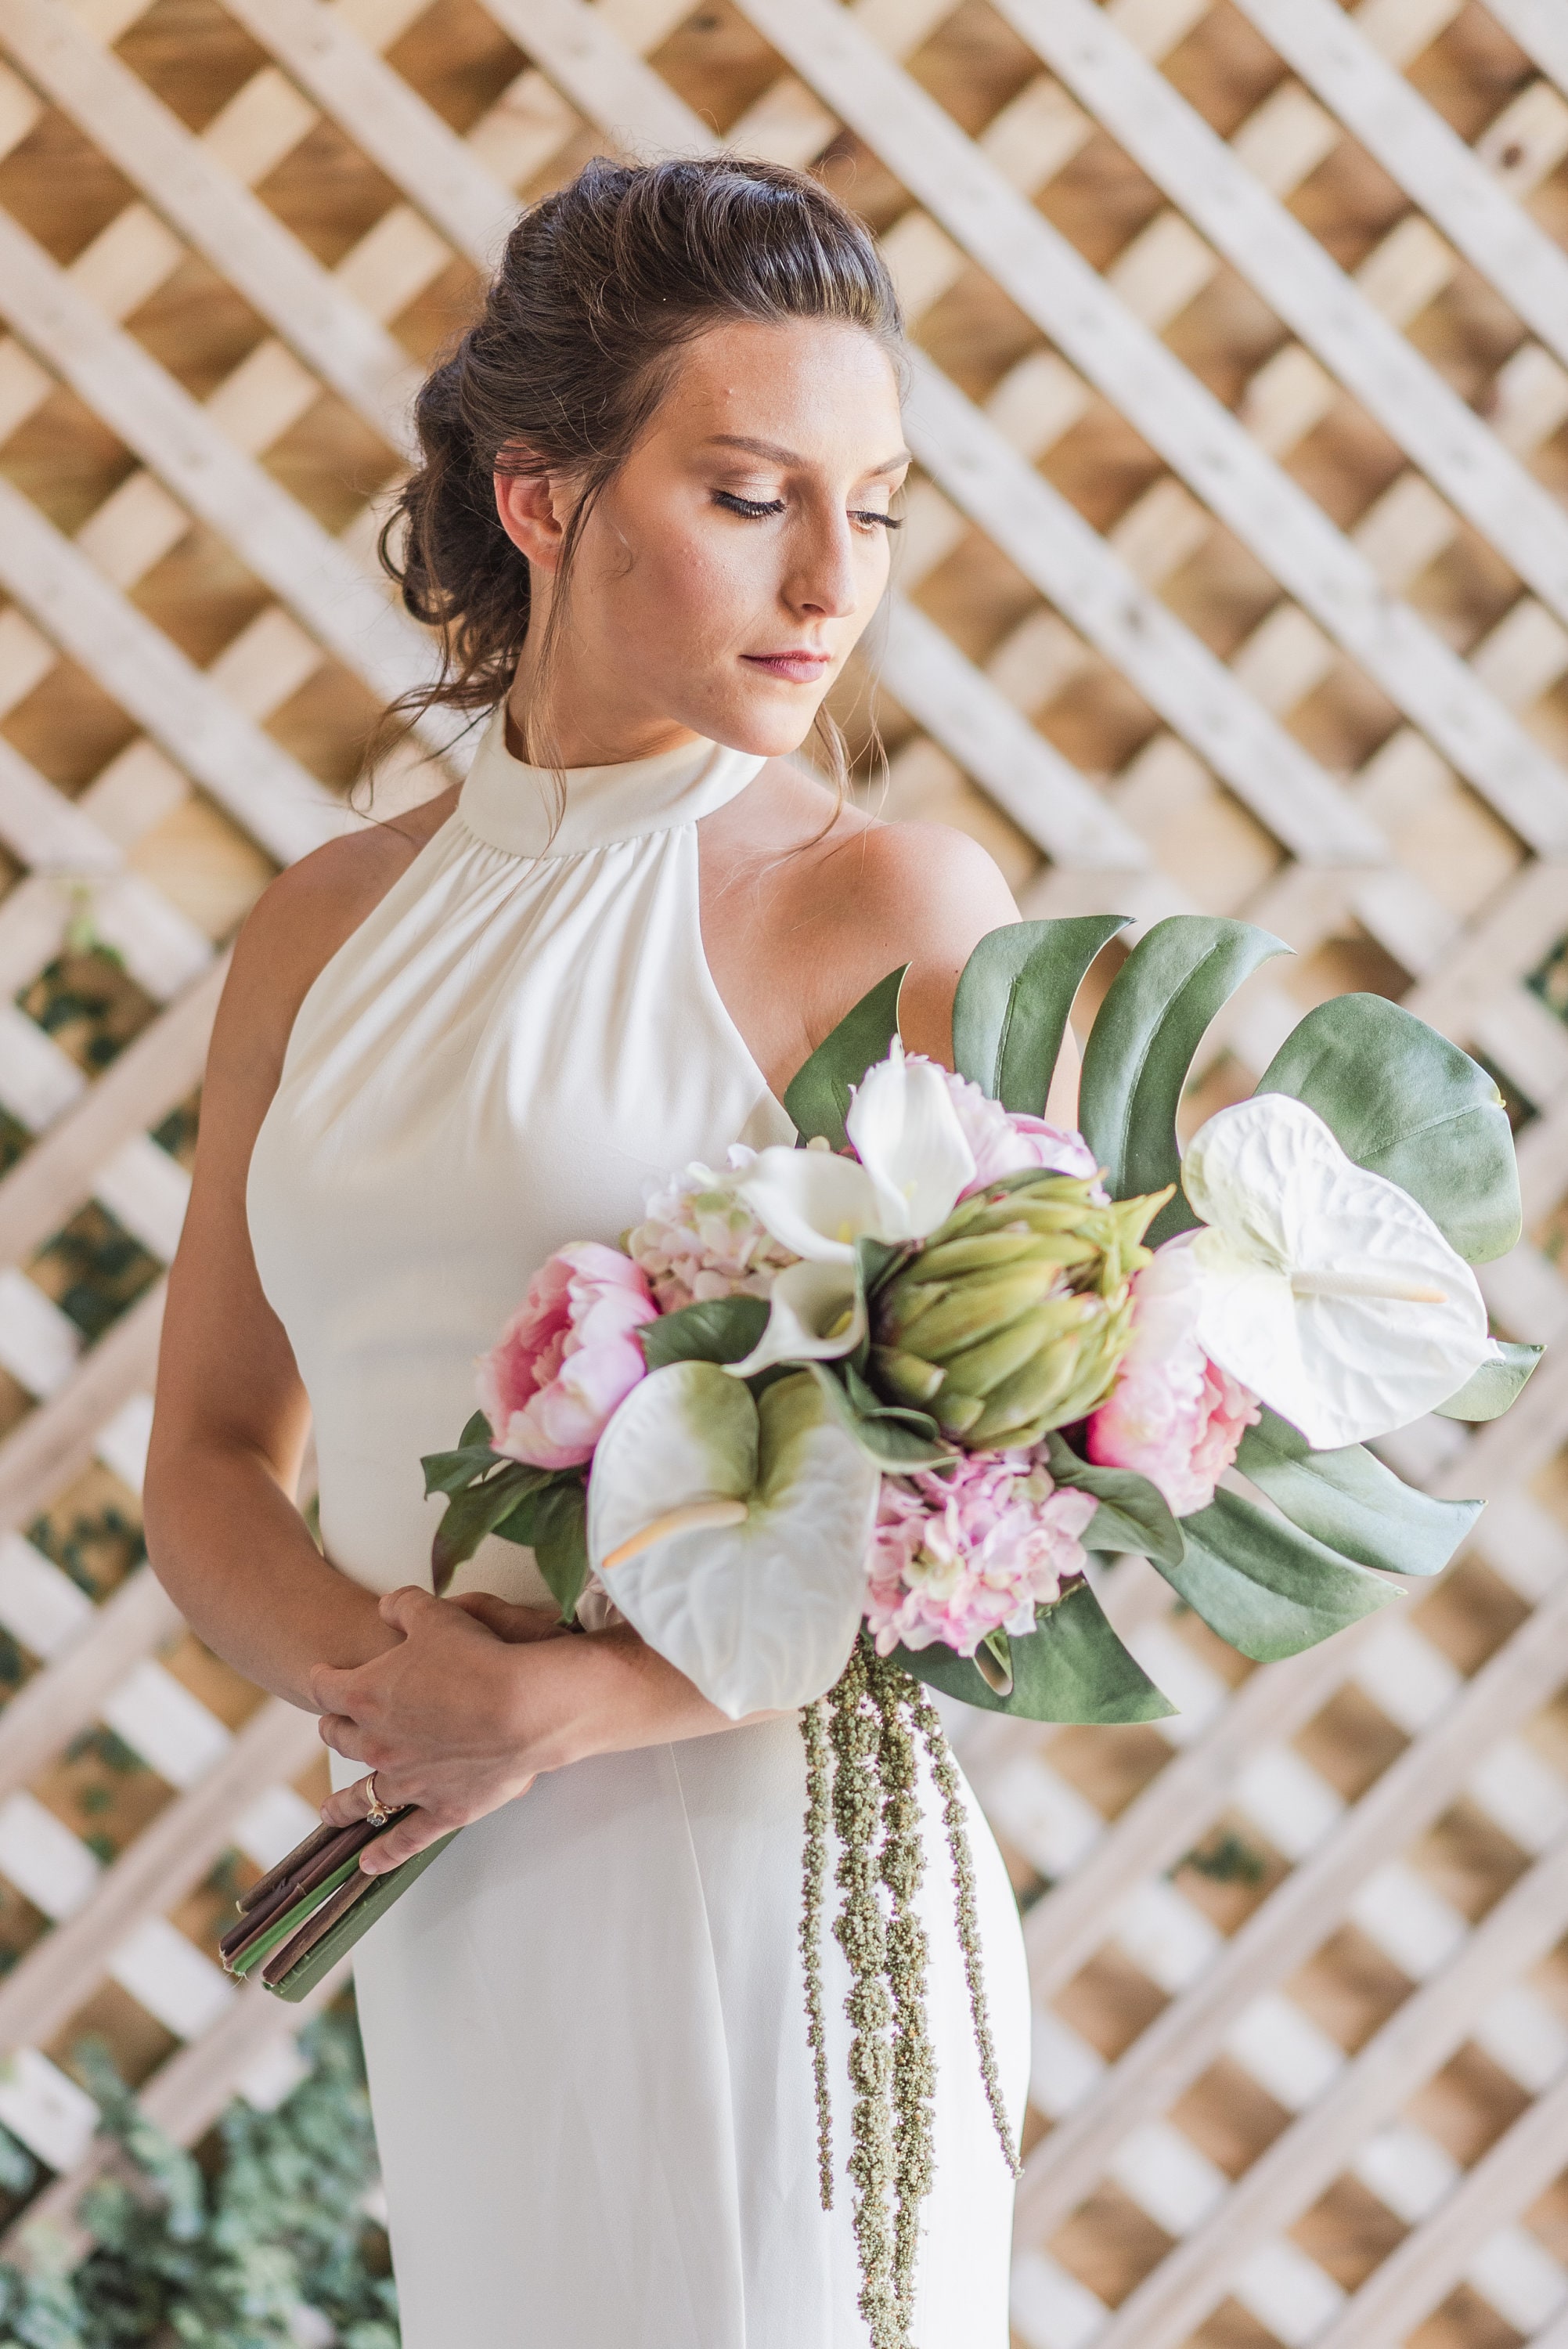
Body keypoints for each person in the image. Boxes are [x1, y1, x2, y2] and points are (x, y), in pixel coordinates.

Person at [145, 153, 1062, 2347]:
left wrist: (569, 1700)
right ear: (540, 496)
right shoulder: (319, 931)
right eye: (753, 496)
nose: (835, 577)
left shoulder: (885, 904)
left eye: (881, 505)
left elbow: (1026, 1494)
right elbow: (203, 1455)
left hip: (772, 1881)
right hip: (465, 1903)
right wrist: (403, 1698)